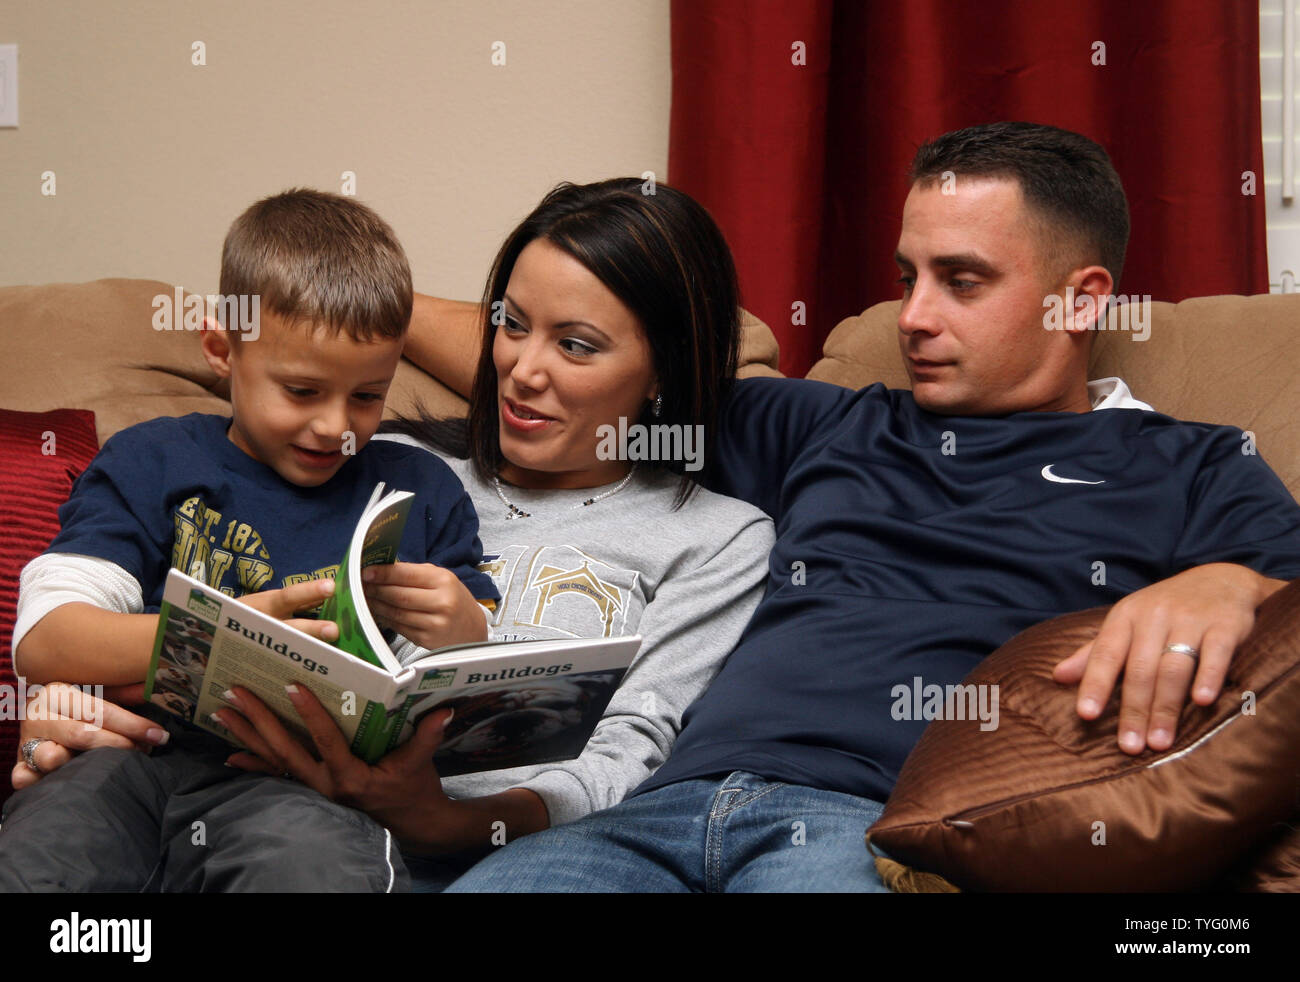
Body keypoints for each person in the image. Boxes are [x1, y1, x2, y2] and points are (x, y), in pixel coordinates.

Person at [436, 122, 1300, 892]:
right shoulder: (827, 422)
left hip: (872, 832)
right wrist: (356, 313)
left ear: (1080, 298)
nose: (912, 317)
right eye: (908, 275)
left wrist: (1232, 583)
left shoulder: (1192, 465)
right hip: (652, 809)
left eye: (960, 281)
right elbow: (576, 375)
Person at [11, 179, 775, 888]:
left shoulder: (712, 536)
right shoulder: (385, 463)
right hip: (161, 769)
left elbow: (624, 755)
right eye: (509, 324)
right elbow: (64, 632)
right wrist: (62, 701)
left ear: (664, 369)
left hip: (407, 835)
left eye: (574, 345)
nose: (519, 372)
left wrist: (434, 804)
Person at [0, 188, 499, 891]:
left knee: (316, 870)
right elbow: (49, 640)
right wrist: (222, 634)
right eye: (301, 391)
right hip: (128, 760)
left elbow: (480, 694)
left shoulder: (419, 489)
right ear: (219, 350)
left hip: (298, 790)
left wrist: (465, 629)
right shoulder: (156, 460)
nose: (335, 426)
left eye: (366, 396)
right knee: (44, 863)